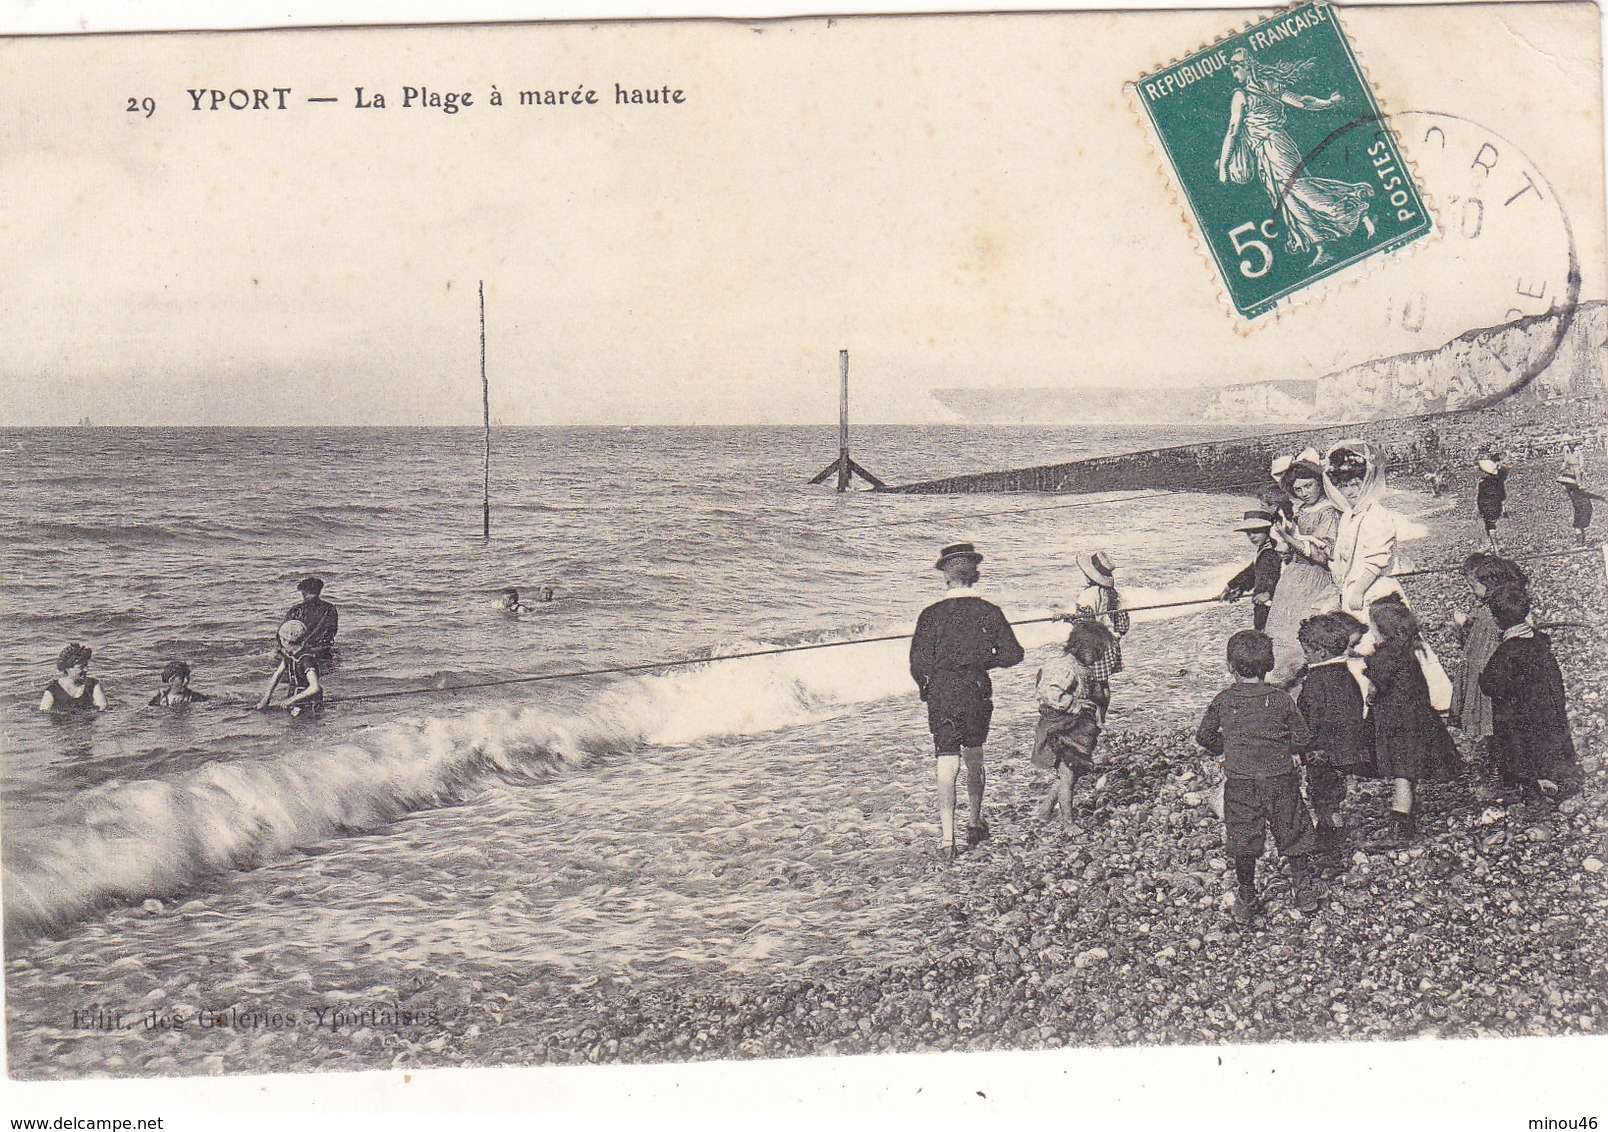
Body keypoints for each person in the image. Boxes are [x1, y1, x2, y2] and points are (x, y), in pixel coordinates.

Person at [1194, 630, 1321, 923]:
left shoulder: (1224, 700)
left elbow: (1204, 736)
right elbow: (1303, 737)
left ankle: (1248, 895)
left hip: (1241, 781)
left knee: (1243, 837)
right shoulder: (1281, 699)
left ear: (1230, 666)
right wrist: (1281, 747)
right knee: (1292, 829)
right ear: (1269, 664)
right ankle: (1302, 888)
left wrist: (1223, 747)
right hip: (1280, 777)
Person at [909, 542, 1024, 858]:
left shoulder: (930, 615)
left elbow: (918, 663)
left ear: (945, 577)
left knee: (946, 761)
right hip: (975, 687)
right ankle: (974, 820)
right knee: (974, 756)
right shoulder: (989, 611)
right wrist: (985, 661)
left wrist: (928, 689)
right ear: (975, 575)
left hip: (943, 691)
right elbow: (1014, 654)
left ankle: (947, 839)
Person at [1215, 47, 1375, 268]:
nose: (1234, 75)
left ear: (1247, 66)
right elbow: (1302, 101)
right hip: (1265, 153)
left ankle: (1355, 207)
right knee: (1288, 200)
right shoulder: (1270, 87)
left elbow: (1233, 130)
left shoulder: (1242, 96)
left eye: (1235, 68)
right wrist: (1328, 102)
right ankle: (1323, 245)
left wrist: (1223, 165)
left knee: (1298, 189)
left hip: (1275, 146)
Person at [1364, 597, 1460, 847]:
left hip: (1396, 722)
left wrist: (1369, 693)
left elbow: (1377, 687)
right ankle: (1407, 811)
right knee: (1408, 768)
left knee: (1401, 771)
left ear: (1380, 628)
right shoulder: (1407, 651)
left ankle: (1401, 823)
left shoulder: (1383, 657)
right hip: (1416, 716)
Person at [1480, 586, 1580, 810]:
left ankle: (1529, 789)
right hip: (1547, 709)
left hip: (1518, 716)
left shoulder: (1507, 651)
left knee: (1519, 751)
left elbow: (1491, 684)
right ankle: (1557, 780)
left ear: (1497, 619)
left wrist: (1482, 678)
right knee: (1549, 745)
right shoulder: (1540, 644)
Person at [1295, 615, 1369, 872]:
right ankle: (1329, 831)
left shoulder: (1315, 681)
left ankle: (1333, 842)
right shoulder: (1345, 674)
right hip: (1345, 747)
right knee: (1331, 792)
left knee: (1322, 796)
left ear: (1320, 651)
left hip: (1321, 750)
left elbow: (1308, 718)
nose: (1305, 656)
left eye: (1306, 651)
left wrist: (1300, 746)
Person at [1264, 449, 1341, 685]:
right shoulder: (1302, 510)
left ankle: (1303, 685)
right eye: (1298, 489)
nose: (1304, 493)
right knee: (1282, 633)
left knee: (1305, 635)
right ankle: (1283, 686)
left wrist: (1288, 539)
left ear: (1320, 483)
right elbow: (1293, 547)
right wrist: (1284, 539)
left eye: (1308, 486)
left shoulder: (1328, 512)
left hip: (1315, 579)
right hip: (1294, 578)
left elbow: (1321, 555)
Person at [1032, 620, 1114, 827]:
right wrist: (1077, 705)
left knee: (1070, 771)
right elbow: (1050, 694)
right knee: (1068, 774)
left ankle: (1046, 809)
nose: (1099, 657)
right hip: (1062, 728)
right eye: (1097, 651)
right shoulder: (1065, 669)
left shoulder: (1076, 666)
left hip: (1074, 726)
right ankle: (1068, 822)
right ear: (1082, 647)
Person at [1449, 554, 1527, 750]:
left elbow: (1488, 642)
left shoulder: (1492, 612)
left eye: (1473, 586)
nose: (1471, 591)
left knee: (1489, 704)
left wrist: (1464, 624)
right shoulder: (1491, 608)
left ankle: (1494, 741)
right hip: (1483, 664)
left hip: (1486, 668)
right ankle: (1493, 740)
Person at [1324, 440, 1405, 617]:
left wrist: (1359, 591)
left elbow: (1377, 559)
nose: (1350, 492)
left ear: (1367, 482)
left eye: (1355, 485)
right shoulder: (1349, 515)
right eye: (1344, 486)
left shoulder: (1376, 515)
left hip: (1373, 588)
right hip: (1352, 589)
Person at [1057, 551, 1129, 683]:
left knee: (1088, 683)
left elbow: (1084, 624)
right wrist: (1115, 637)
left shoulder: (1088, 595)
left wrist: (1068, 618)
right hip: (1111, 644)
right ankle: (1102, 704)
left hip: (1094, 646)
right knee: (1103, 683)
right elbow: (1123, 625)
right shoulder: (1114, 594)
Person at [1220, 510, 1281, 632]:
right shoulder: (1265, 548)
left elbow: (1276, 575)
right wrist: (1233, 586)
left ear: (1267, 529)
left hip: (1271, 604)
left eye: (1256, 532)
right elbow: (1253, 571)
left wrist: (1268, 593)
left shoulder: (1273, 551)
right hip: (1263, 602)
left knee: (1265, 633)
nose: (1252, 537)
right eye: (1248, 533)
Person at [257, 620, 325, 716]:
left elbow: (315, 687)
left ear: (286, 641)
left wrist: (291, 699)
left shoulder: (306, 660)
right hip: (295, 699)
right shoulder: (289, 656)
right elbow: (277, 675)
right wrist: (266, 698)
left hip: (308, 701)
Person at [39, 643, 107, 713]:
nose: (86, 670)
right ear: (68, 668)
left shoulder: (93, 685)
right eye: (81, 667)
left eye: (86, 665)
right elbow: (43, 714)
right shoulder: (52, 691)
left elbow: (101, 709)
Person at [285, 576, 338, 658]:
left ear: (304, 592)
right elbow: (332, 631)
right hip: (324, 651)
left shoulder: (296, 610)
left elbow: (286, 634)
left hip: (301, 653)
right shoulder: (330, 608)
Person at [1557, 474, 1604, 545]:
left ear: (1569, 485)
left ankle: (1580, 542)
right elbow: (1589, 495)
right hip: (1581, 509)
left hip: (1583, 509)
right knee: (1579, 526)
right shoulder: (1574, 491)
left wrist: (1602, 498)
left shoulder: (1576, 491)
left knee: (1577, 526)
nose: (1562, 487)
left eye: (1564, 485)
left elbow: (1589, 495)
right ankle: (1582, 541)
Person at [1476, 457, 1508, 551]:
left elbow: (1480, 496)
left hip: (1486, 506)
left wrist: (1480, 507)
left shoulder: (1482, 483)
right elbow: (1503, 496)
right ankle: (1495, 545)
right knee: (1492, 525)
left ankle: (1495, 547)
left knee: (1490, 526)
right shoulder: (1499, 482)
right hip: (1496, 505)